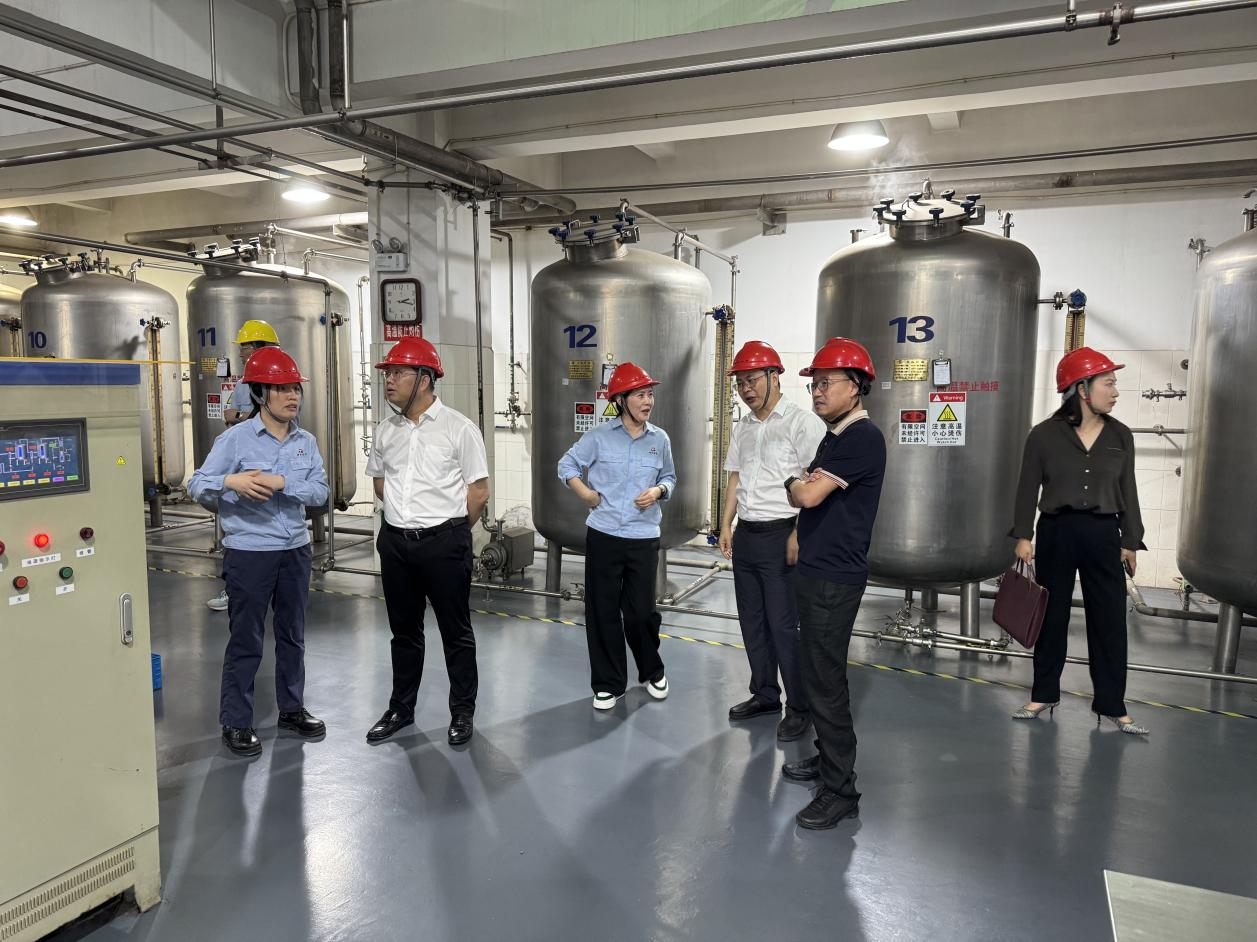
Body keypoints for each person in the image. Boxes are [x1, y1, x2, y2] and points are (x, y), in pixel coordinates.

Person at [187, 347, 330, 757]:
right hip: (250, 552)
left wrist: (284, 482)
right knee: (246, 638)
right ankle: (236, 721)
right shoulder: (235, 440)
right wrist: (230, 482)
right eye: (282, 389)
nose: (292, 396)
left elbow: (321, 492)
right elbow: (196, 484)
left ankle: (292, 709)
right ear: (259, 393)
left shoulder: (306, 442)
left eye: (295, 388)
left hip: (295, 551)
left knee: (292, 635)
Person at [1009, 347, 1148, 735]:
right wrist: (1023, 535)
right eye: (1109, 383)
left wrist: (1130, 539)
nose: (1115, 392)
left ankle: (1112, 704)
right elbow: (1027, 488)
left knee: (1109, 619)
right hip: (1057, 530)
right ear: (1082, 389)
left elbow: (1128, 489)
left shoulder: (1120, 435)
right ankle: (1043, 693)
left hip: (1104, 533)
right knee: (1051, 617)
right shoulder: (1043, 435)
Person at [779, 337, 885, 830]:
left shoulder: (861, 438)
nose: (817, 391)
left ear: (856, 386)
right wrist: (802, 491)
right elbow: (810, 492)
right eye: (814, 384)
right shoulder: (834, 436)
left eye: (827, 383)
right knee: (816, 672)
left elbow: (808, 494)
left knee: (826, 683)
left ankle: (841, 790)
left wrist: (794, 485)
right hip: (817, 571)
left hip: (834, 580)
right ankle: (826, 761)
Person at [364, 337, 490, 746]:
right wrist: (404, 518)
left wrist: (451, 531)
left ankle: (462, 713)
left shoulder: (459, 428)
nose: (389, 380)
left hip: (444, 544)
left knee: (456, 633)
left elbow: (479, 492)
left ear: (424, 379)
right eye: (387, 373)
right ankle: (400, 709)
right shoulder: (386, 430)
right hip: (395, 543)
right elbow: (380, 483)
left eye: (398, 373)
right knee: (403, 633)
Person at [719, 340, 826, 741]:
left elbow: (817, 483)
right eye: (740, 383)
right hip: (747, 534)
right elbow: (736, 477)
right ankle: (765, 694)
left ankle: (800, 706)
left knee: (784, 627)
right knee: (752, 622)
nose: (746, 389)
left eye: (752, 380)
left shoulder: (802, 423)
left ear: (774, 376)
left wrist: (800, 532)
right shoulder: (743, 427)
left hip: (783, 534)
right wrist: (726, 523)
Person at [558, 362, 677, 711]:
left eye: (650, 394)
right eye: (640, 395)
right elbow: (566, 465)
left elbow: (670, 477)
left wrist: (658, 491)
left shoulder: (660, 439)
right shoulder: (598, 436)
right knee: (603, 612)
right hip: (605, 535)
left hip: (643, 538)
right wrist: (586, 494)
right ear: (621, 400)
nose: (648, 401)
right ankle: (609, 684)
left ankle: (652, 670)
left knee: (641, 613)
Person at [207, 318, 282, 613]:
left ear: (261, 347)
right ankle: (234, 590)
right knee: (243, 527)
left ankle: (278, 588)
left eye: (245, 347)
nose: (241, 353)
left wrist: (240, 419)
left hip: (275, 463)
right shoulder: (243, 384)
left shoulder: (281, 380)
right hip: (245, 463)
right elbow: (230, 414)